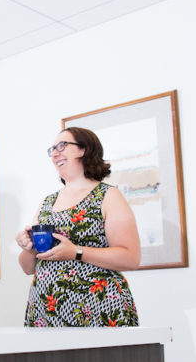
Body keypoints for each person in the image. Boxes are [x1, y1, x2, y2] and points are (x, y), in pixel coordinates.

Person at [16, 127, 140, 327]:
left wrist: (76, 252)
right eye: (52, 149)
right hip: (46, 310)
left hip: (98, 306)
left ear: (84, 149)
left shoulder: (108, 196)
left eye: (62, 146)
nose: (55, 153)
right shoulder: (47, 202)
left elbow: (131, 258)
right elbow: (27, 268)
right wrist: (27, 248)